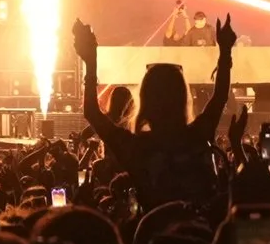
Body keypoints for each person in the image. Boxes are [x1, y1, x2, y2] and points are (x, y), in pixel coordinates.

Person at [76, 15, 236, 208]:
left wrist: (90, 62)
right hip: (197, 231)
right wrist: (225, 52)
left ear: (145, 102)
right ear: (182, 99)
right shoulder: (197, 136)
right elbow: (219, 97)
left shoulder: (135, 148)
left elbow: (92, 113)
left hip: (152, 233)